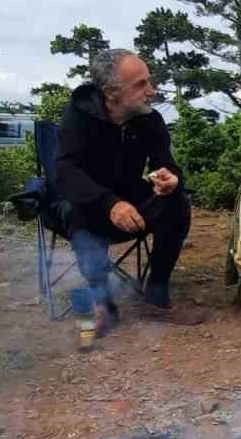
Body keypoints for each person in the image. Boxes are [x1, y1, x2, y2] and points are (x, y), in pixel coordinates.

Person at [54, 48, 205, 333]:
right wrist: (110, 203)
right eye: (141, 84)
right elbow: (65, 173)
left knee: (177, 200)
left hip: (132, 203)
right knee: (78, 209)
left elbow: (167, 165)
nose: (152, 90)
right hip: (90, 207)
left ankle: (156, 300)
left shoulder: (150, 120)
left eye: (149, 81)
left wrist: (171, 179)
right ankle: (102, 304)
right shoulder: (78, 116)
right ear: (112, 92)